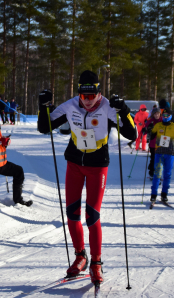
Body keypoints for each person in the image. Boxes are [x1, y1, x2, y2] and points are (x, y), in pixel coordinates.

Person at [37, 70, 137, 285]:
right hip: (74, 163)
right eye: (85, 97)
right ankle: (81, 256)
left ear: (99, 93)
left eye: (93, 97)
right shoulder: (70, 105)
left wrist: (124, 110)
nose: (89, 102)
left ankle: (97, 262)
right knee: (72, 213)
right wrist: (43, 107)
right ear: (80, 94)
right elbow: (44, 127)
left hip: (97, 165)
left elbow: (132, 134)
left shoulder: (108, 107)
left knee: (92, 215)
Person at [148, 108, 174, 203]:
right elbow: (152, 136)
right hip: (159, 153)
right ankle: (153, 195)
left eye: (167, 115)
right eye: (164, 115)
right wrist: (150, 129)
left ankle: (164, 194)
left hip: (169, 153)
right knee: (157, 174)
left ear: (170, 116)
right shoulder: (158, 125)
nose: (165, 117)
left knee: (167, 175)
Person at [143, 107, 162, 177]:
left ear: (160, 114)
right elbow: (146, 129)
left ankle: (158, 172)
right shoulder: (150, 121)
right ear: (153, 114)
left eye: (158, 114)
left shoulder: (163, 121)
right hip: (153, 143)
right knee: (153, 158)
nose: (156, 115)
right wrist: (144, 130)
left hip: (161, 143)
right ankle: (152, 172)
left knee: (160, 159)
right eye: (155, 114)